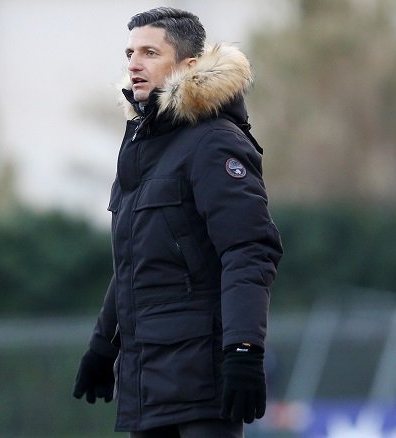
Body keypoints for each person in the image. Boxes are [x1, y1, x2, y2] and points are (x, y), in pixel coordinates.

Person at [73, 7, 283, 437]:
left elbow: (248, 250)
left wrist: (244, 349)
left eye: (150, 52)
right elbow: (136, 261)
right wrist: (103, 345)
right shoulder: (140, 147)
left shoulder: (214, 141)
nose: (134, 63)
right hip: (146, 384)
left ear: (189, 65)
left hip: (201, 380)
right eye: (130, 53)